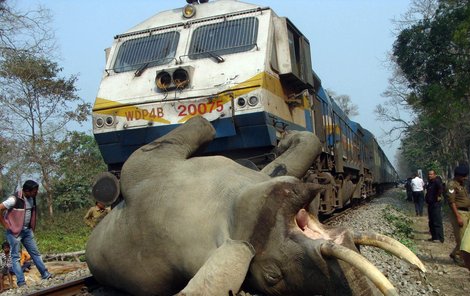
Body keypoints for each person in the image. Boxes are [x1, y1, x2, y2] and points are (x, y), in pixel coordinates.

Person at [0, 180, 53, 287]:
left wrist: (32, 227)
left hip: (27, 231)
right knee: (15, 257)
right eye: (34, 191)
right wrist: (5, 225)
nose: (36, 193)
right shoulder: (13, 200)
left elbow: (31, 213)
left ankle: (45, 274)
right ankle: (21, 282)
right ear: (27, 191)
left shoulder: (32, 198)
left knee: (35, 253)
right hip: (14, 232)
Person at [447, 165, 470, 265]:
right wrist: (458, 217)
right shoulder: (451, 185)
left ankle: (455, 253)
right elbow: (451, 202)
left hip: (466, 212)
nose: (465, 178)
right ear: (458, 176)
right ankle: (460, 258)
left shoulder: (461, 185)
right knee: (461, 238)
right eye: (464, 176)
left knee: (466, 237)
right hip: (459, 213)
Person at [424, 170, 444, 243]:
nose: (430, 176)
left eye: (431, 174)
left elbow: (441, 188)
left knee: (437, 221)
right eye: (429, 174)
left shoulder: (437, 181)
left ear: (435, 175)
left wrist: (439, 195)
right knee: (431, 221)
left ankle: (439, 238)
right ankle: (434, 237)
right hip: (430, 204)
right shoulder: (430, 183)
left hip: (436, 204)